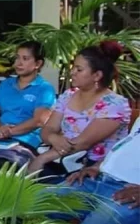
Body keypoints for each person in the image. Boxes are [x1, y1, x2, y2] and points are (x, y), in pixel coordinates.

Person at [28, 41, 131, 174]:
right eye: (73, 67)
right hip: (61, 158)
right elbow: (48, 129)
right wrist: (53, 138)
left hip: (95, 168)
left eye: (79, 69)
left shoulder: (114, 104)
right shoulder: (68, 95)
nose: (72, 72)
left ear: (97, 76)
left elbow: (82, 144)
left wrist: (42, 159)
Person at [59, 117, 140, 224]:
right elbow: (128, 146)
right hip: (98, 179)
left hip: (129, 194)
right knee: (29, 204)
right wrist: (96, 166)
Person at [0, 41, 57, 164]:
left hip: (25, 142)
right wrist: (0, 128)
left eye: (25, 59)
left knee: (1, 163)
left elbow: (39, 120)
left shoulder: (44, 89)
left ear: (38, 63)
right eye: (17, 58)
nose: (18, 63)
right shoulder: (6, 84)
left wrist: (8, 132)